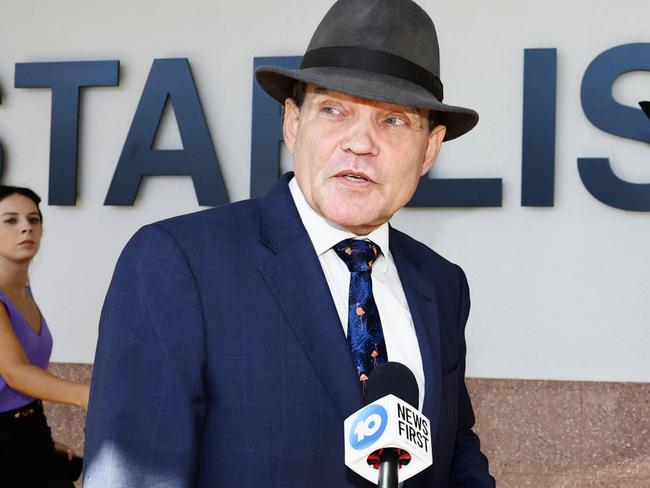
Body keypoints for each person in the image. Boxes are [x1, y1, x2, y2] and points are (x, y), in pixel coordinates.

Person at [84, 0, 495, 486]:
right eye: (333, 110)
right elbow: (135, 473)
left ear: (429, 149)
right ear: (293, 124)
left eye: (394, 121)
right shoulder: (179, 262)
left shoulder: (442, 283)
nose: (359, 143)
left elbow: (454, 445)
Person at [0, 185, 89, 487]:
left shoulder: (23, 291)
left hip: (29, 430)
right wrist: (85, 394)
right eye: (10, 220)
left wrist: (41, 439)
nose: (26, 227)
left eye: (33, 219)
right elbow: (15, 373)